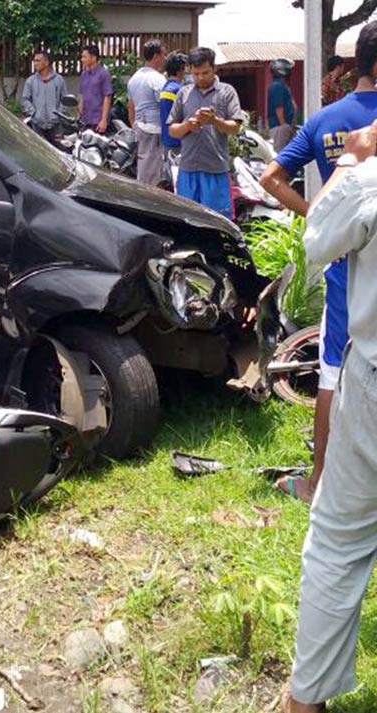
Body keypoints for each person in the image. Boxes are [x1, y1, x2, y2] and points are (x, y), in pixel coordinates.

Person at [259, 20, 377, 504]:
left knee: (333, 372)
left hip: (347, 267)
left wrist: (321, 216)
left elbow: (270, 177)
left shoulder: (326, 120)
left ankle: (319, 481)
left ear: (356, 65)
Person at [284, 119, 377, 713]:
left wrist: (351, 160)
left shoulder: (368, 176)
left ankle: (307, 698)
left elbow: (315, 237)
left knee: (339, 542)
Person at [167, 47, 245, 219]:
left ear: (214, 69)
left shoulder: (227, 92)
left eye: (205, 73)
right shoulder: (183, 93)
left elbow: (235, 127)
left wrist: (214, 121)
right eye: (196, 74)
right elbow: (172, 130)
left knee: (217, 221)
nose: (200, 78)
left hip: (215, 169)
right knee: (187, 220)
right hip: (188, 168)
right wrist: (188, 125)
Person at [127, 39, 167, 185]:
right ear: (156, 56)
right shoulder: (157, 79)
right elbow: (165, 105)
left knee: (143, 166)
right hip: (154, 129)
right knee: (153, 172)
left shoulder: (134, 79)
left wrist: (134, 125)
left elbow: (130, 105)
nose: (165, 58)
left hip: (139, 126)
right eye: (163, 55)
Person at [22, 50, 67, 143]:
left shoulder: (59, 80)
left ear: (46, 62)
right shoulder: (30, 81)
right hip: (37, 125)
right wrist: (34, 113)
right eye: (34, 61)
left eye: (38, 61)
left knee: (58, 151)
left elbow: (65, 100)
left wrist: (58, 114)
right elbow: (25, 99)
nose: (35, 63)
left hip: (56, 125)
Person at [78, 45, 113, 134]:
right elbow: (82, 96)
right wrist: (78, 116)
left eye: (85, 57)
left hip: (97, 121)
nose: (82, 59)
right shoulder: (84, 75)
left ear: (93, 58)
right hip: (85, 121)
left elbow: (107, 97)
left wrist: (103, 120)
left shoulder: (103, 74)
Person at [160, 51, 187, 154]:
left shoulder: (165, 88)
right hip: (179, 141)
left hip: (167, 139)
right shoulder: (180, 90)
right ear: (180, 69)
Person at [267, 58, 297, 152]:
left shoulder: (281, 85)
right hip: (280, 127)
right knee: (281, 155)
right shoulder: (277, 86)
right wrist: (283, 124)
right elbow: (279, 107)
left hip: (285, 127)